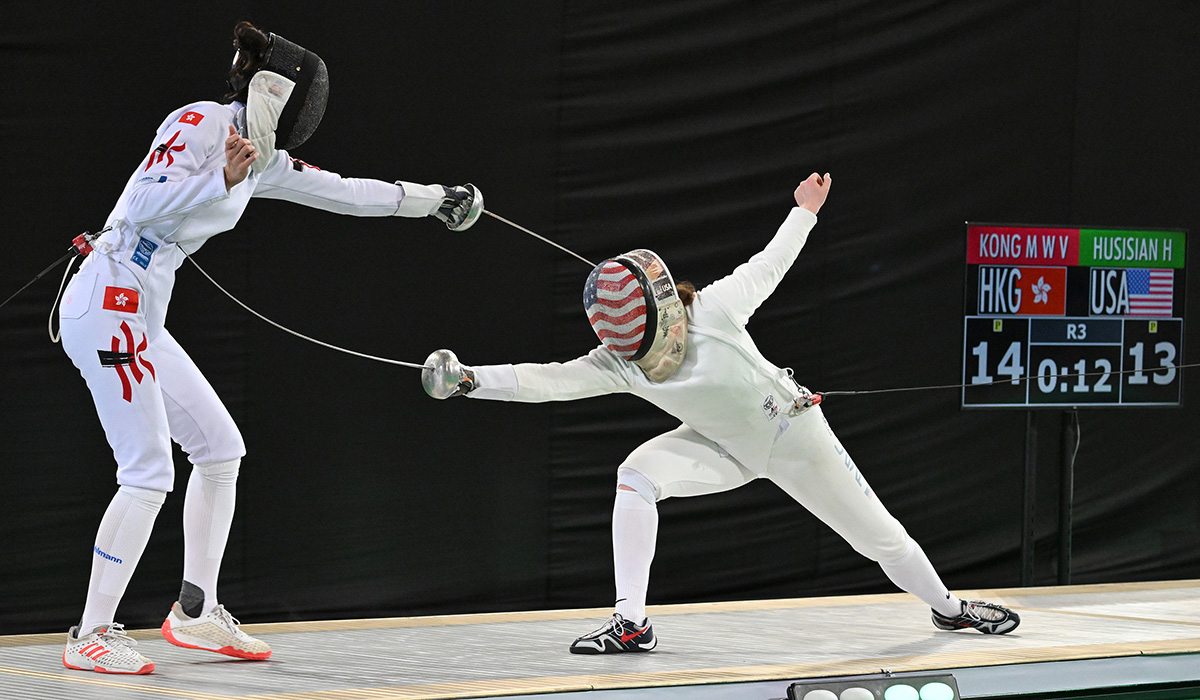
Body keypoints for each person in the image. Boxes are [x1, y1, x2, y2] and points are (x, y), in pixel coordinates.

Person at [421, 172, 1020, 654]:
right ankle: (631, 623)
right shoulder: (621, 364)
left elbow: (771, 262)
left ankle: (949, 609)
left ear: (663, 304)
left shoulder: (714, 308)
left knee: (880, 538)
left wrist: (804, 209)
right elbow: (544, 382)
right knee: (637, 473)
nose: (650, 348)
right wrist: (471, 381)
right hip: (721, 447)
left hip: (793, 435)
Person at [57, 21, 479, 674]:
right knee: (146, 472)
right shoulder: (200, 123)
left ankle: (196, 612)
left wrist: (435, 202)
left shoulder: (263, 161)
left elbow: (347, 193)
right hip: (106, 300)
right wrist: (218, 181)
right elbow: (139, 203)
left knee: (221, 448)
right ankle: (90, 633)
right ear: (271, 94)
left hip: (138, 316)